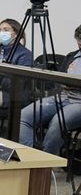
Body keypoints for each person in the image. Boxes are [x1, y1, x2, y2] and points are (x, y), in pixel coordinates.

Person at [19, 25, 81, 153]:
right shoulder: (72, 56)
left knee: (58, 122)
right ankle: (32, 154)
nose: (79, 44)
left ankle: (46, 160)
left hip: (79, 103)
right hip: (63, 96)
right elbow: (59, 80)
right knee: (23, 117)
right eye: (78, 41)